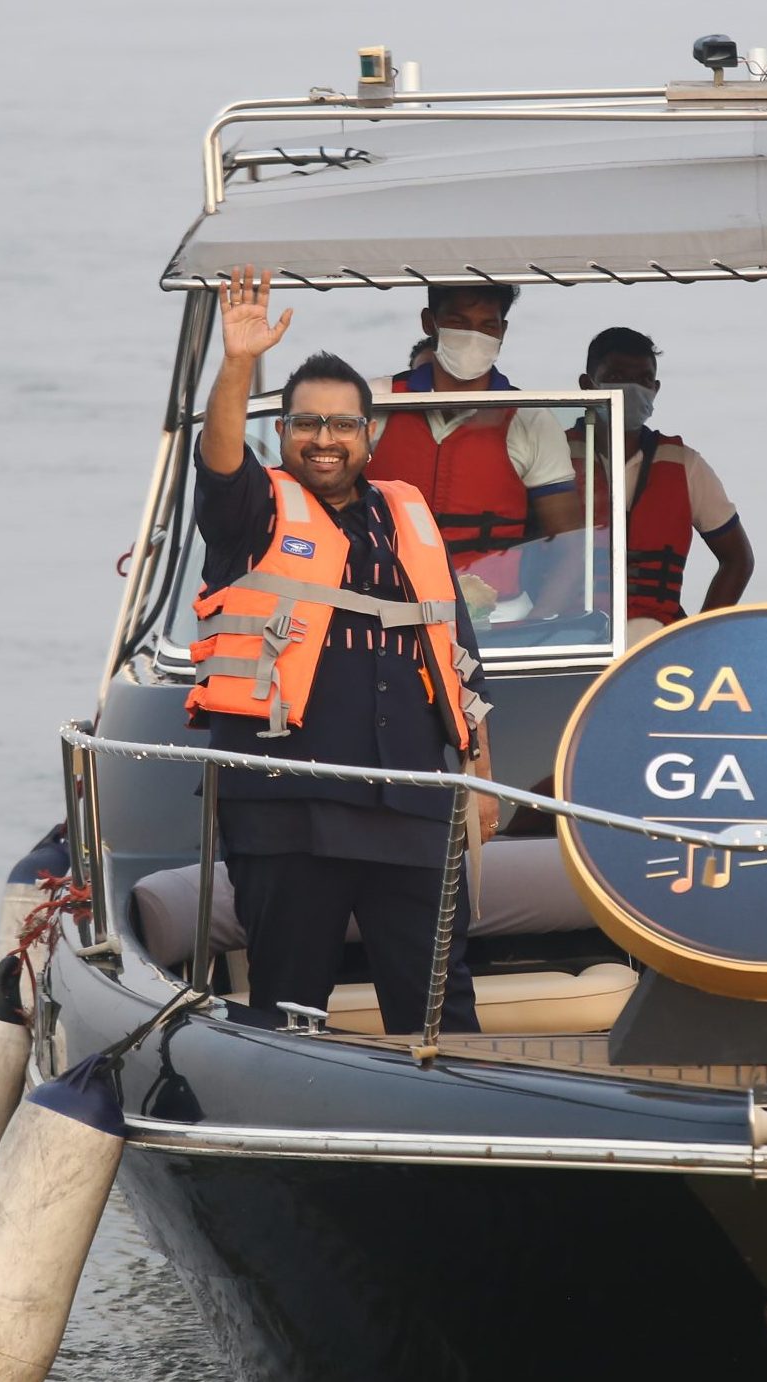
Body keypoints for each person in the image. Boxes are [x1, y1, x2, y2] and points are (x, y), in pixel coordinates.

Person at [186, 266, 496, 1035]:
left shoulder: (408, 518)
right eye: (307, 424)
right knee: (288, 1009)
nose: (324, 439)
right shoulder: (252, 512)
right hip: (289, 809)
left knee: (441, 1013)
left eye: (343, 425)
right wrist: (236, 364)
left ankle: (451, 1110)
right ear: (281, 433)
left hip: (413, 807)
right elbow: (218, 461)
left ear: (370, 434)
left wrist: (482, 779)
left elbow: (459, 659)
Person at [368, 284, 581, 604]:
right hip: (385, 609)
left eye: (487, 326)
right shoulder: (376, 401)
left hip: (499, 616)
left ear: (503, 331)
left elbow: (571, 546)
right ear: (429, 323)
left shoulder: (531, 418)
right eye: (458, 322)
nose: (473, 336)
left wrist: (542, 619)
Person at [571, 327, 756, 636]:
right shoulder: (553, 453)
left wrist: (699, 637)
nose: (632, 388)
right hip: (567, 637)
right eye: (617, 377)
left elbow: (738, 559)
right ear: (587, 385)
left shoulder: (685, 465)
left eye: (644, 379)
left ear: (655, 389)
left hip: (656, 640)